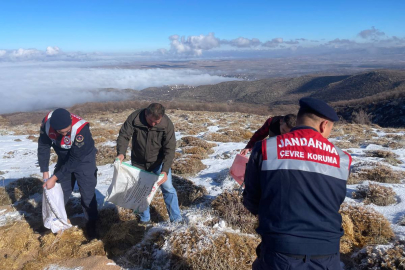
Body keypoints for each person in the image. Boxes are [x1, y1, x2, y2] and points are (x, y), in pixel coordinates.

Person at [243, 97, 352, 270]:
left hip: (279, 250)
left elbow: (251, 199)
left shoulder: (265, 149)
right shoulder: (343, 159)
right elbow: (335, 200)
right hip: (328, 252)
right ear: (324, 125)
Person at [38, 108, 98, 239]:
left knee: (87, 194)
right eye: (61, 132)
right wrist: (45, 173)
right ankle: (56, 223)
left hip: (84, 159)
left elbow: (75, 159)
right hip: (64, 158)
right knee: (59, 191)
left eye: (67, 131)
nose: (65, 134)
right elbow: (43, 146)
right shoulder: (47, 124)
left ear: (71, 120)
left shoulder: (81, 129)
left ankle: (91, 227)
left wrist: (55, 177)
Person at [116, 103, 182, 223]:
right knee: (141, 191)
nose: (153, 124)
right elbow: (124, 135)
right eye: (151, 121)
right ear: (146, 113)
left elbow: (170, 148)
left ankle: (176, 219)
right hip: (139, 162)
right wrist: (121, 153)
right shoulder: (135, 118)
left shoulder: (166, 124)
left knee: (168, 188)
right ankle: (145, 220)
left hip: (159, 162)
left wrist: (165, 170)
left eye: (156, 122)